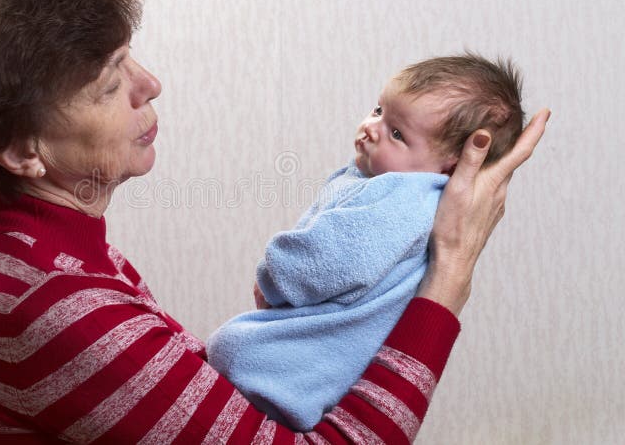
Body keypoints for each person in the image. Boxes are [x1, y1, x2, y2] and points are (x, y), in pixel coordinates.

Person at [0, 0, 549, 444]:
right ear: (23, 152)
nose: (150, 84)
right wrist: (451, 271)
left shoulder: (49, 258)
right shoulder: (56, 308)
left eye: (129, 56)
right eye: (110, 82)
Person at [207, 54, 525, 431]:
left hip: (295, 375)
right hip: (317, 372)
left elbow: (330, 261)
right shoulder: (385, 185)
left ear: (450, 165)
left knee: (239, 350)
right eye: (379, 111)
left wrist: (275, 276)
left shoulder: (405, 197)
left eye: (397, 134)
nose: (372, 128)